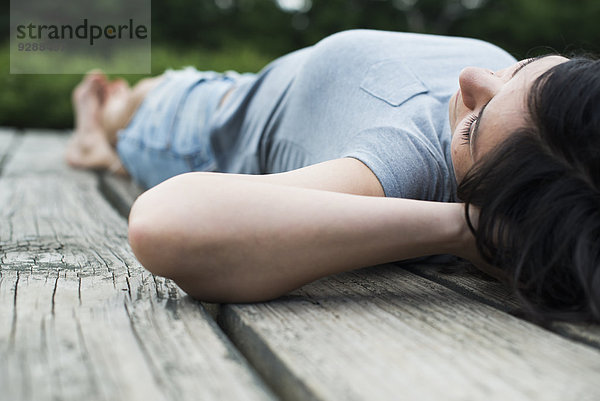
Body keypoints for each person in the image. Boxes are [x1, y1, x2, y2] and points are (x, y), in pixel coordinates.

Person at [65, 29, 600, 322]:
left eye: (473, 123)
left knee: (135, 102)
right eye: (523, 68)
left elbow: (167, 222)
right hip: (255, 83)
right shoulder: (560, 125)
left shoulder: (406, 160)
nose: (472, 76)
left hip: (200, 122)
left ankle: (99, 134)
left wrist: (465, 227)